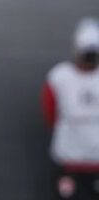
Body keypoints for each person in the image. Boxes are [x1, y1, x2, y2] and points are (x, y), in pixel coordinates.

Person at [42, 18, 99, 200]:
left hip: (69, 157)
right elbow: (50, 113)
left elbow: (50, 115)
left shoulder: (58, 76)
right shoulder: (58, 77)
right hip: (73, 159)